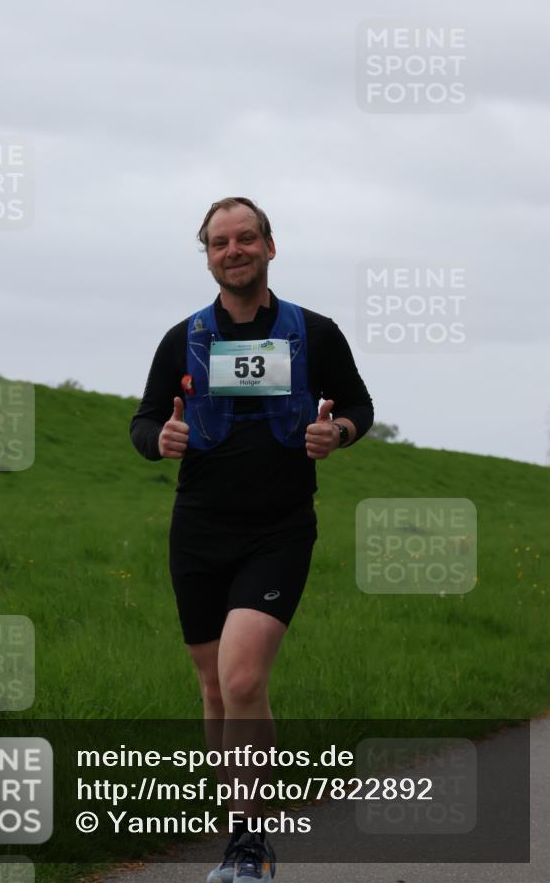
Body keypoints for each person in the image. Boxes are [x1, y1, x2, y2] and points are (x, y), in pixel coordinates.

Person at [130, 197, 374, 882]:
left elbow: (358, 405)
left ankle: (249, 848)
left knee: (241, 676)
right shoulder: (183, 338)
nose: (232, 250)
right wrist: (161, 439)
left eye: (245, 238)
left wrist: (339, 433)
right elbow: (144, 421)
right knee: (213, 689)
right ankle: (238, 830)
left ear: (270, 246)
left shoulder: (314, 333)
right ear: (207, 255)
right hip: (198, 530)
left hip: (279, 528)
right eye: (218, 242)